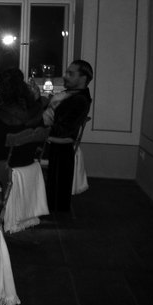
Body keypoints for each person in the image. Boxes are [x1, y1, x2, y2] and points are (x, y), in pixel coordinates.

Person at [43, 59, 93, 212]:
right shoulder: (71, 95)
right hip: (55, 142)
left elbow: (63, 130)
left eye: (71, 74)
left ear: (83, 78)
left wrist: (40, 126)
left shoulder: (79, 100)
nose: (65, 76)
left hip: (56, 144)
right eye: (66, 72)